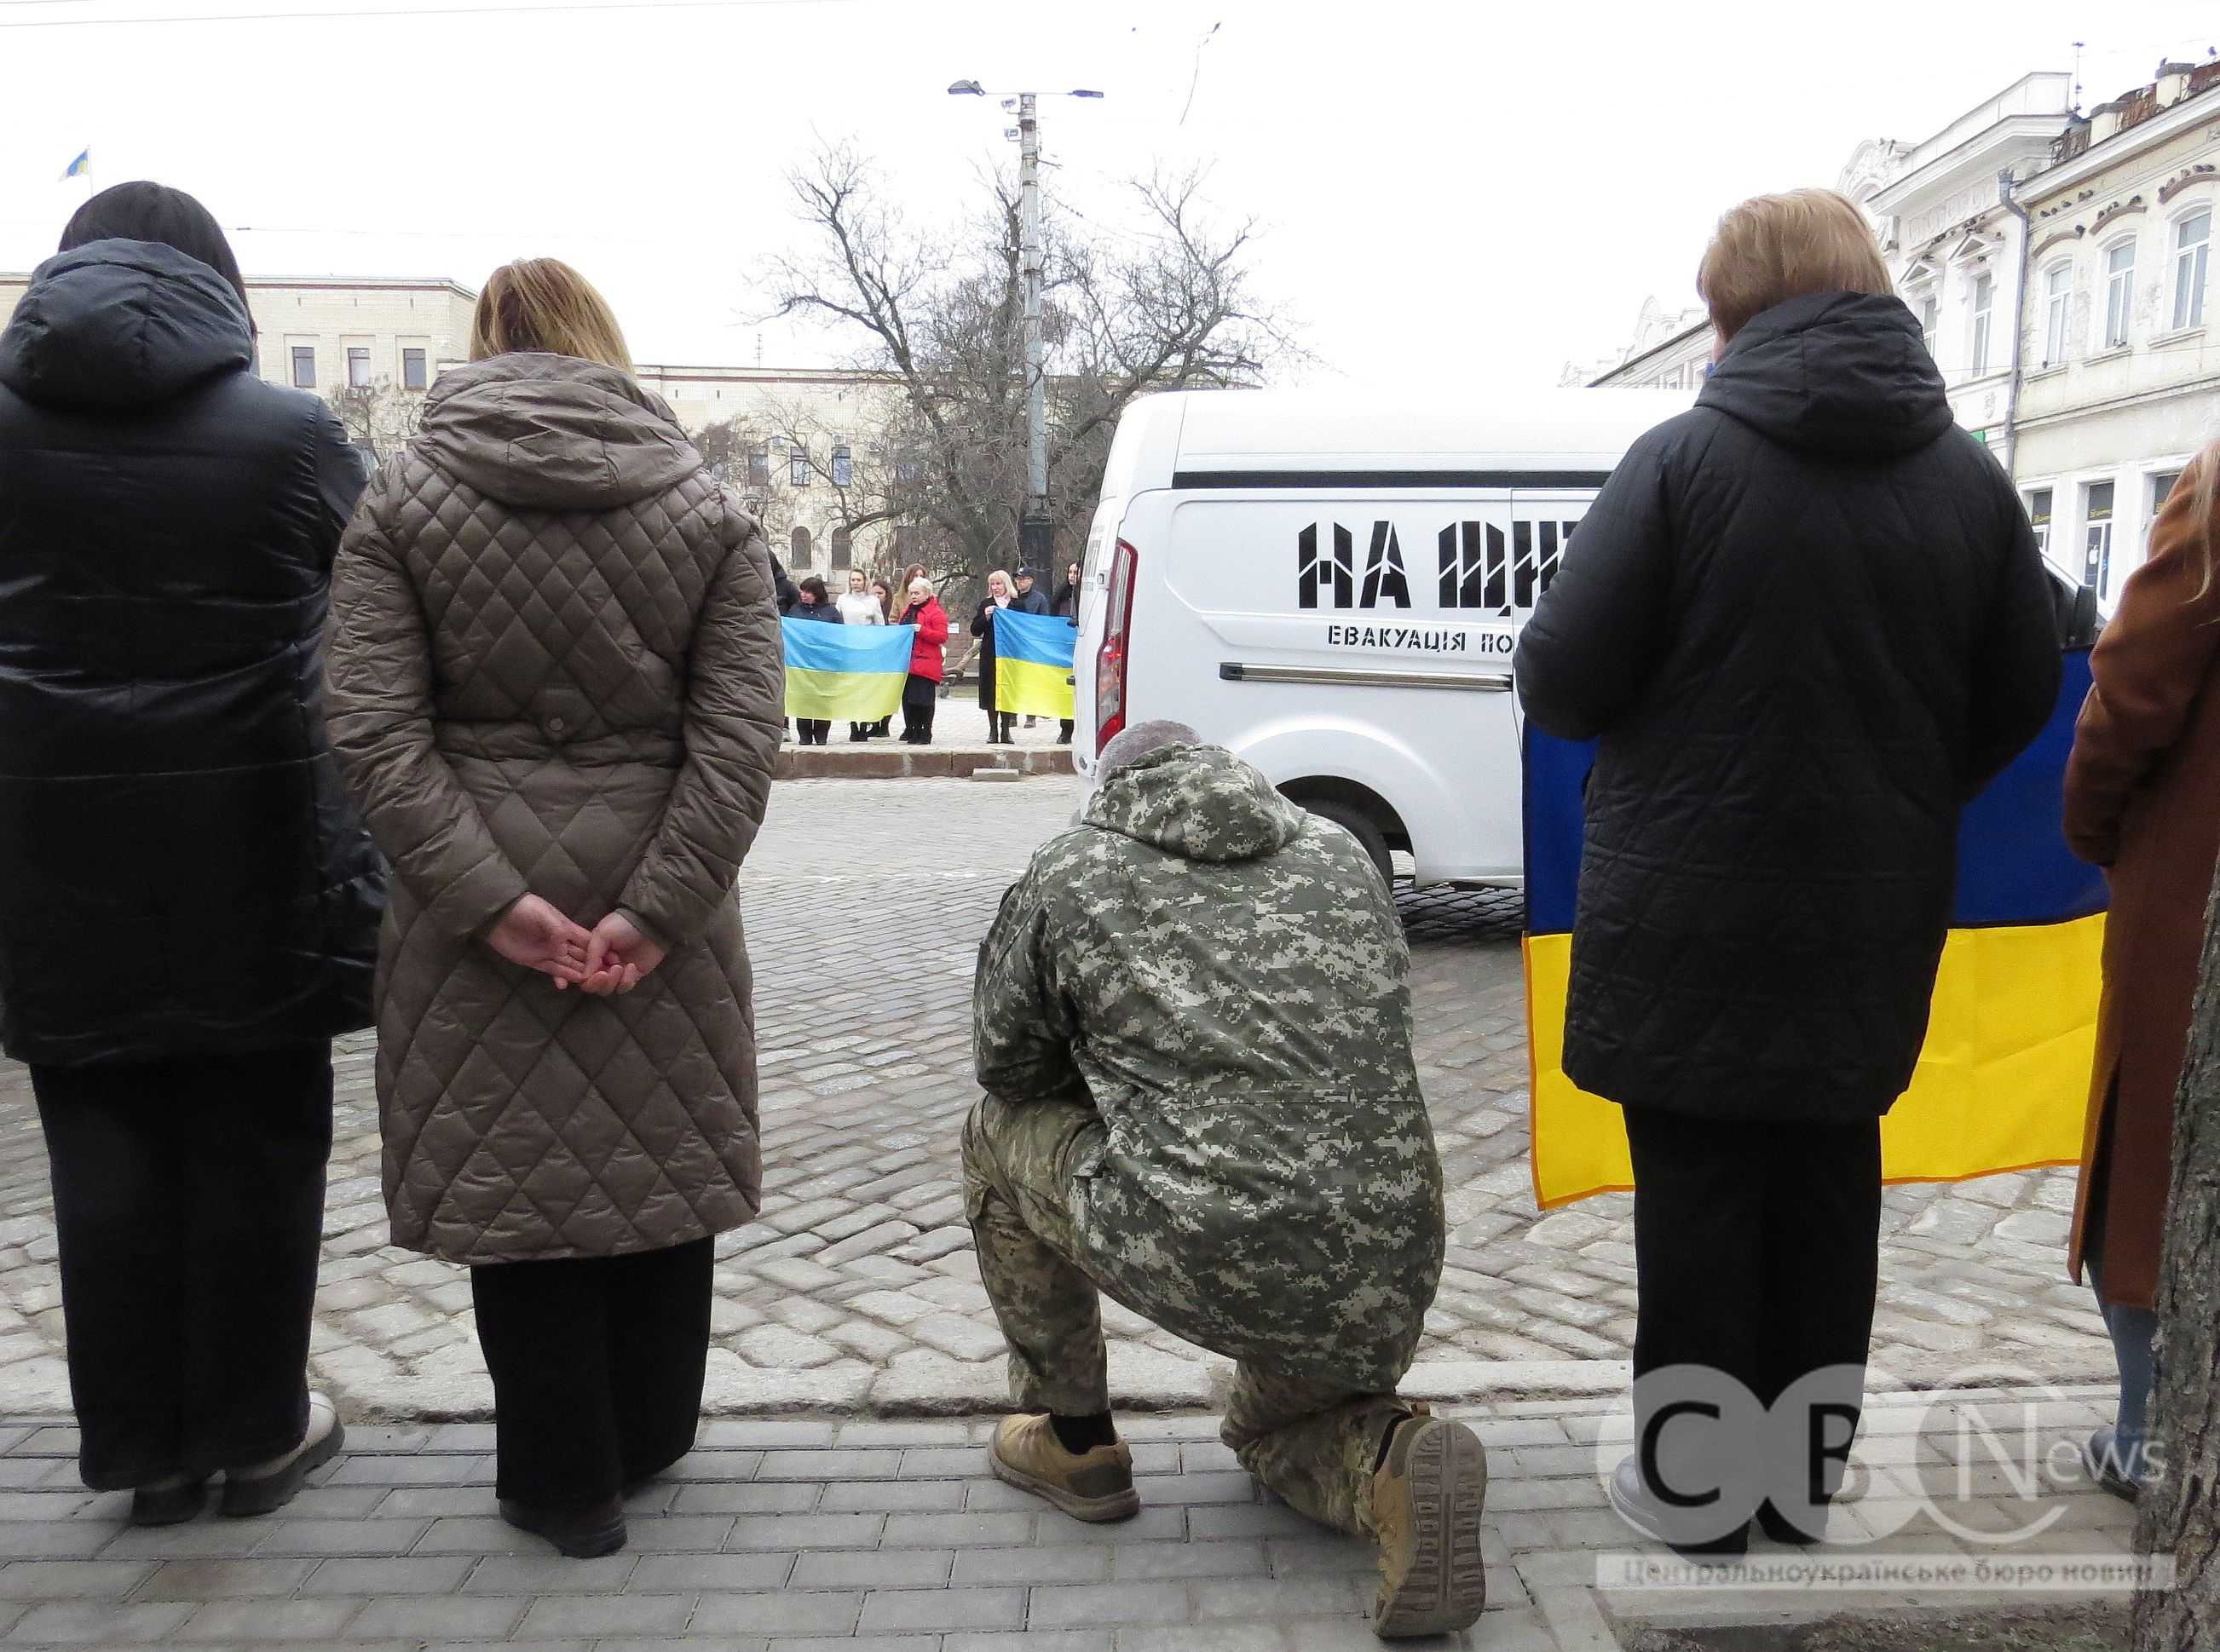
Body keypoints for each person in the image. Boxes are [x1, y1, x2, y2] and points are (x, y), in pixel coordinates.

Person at [1514, 188, 2061, 1557]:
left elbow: (1566, 682)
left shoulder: (1678, 463)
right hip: (1869, 913)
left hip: (1683, 910)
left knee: (1697, 1191)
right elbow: (2016, 694)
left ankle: (1696, 1496)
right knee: (1828, 1185)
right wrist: (1901, 787)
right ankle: (1797, 1482)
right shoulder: (1969, 481)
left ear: (1737, 312)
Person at [324, 257, 781, 1557]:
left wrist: (491, 901)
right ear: (602, 342)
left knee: (514, 1172)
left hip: (473, 895)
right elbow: (741, 735)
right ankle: (651, 1432)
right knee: (654, 1148)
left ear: (483, 343)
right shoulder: (707, 508)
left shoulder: (401, 501)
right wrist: (659, 905)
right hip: (659, 882)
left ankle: (565, 1481)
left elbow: (371, 725)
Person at [0, 182, 383, 1525]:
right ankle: (256, 1429)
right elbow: (385, 591)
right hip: (258, 853)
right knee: (258, 1149)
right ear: (219, 284)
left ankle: (142, 1449)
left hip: (50, 864)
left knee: (99, 1157)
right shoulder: (290, 437)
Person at [964, 720, 1484, 1640]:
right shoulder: (1336, 852)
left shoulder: (1072, 868)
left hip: (1204, 1232)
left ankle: (1075, 1440)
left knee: (994, 1137)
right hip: (1387, 1252)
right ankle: (1393, 1460)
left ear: (1112, 793)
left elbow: (1007, 1070)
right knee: (1271, 1435)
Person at [2063, 443, 2220, 1501]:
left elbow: (2133, 684)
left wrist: (2096, 823)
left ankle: (2149, 1428)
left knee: (2158, 1154)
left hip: (2198, 883)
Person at [788, 575, 844, 746]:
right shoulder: (795, 610)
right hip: (801, 663)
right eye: (803, 591)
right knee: (803, 699)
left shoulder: (831, 612)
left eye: (809, 592)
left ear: (818, 594)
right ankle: (804, 735)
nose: (804, 595)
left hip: (824, 664)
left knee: (822, 699)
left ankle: (821, 734)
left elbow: (839, 637)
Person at [835, 570, 885, 742]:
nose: (855, 583)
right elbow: (837, 623)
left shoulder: (873, 601)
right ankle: (853, 725)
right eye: (853, 580)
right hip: (848, 648)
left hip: (867, 649)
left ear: (865, 581)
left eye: (858, 580)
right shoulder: (842, 600)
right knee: (850, 688)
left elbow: (880, 626)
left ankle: (864, 725)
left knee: (865, 688)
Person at [898, 575, 949, 745]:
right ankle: (912, 730)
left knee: (924, 701)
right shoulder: (908, 610)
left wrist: (923, 630)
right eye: (911, 593)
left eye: (917, 593)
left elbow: (942, 636)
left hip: (926, 663)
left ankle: (925, 731)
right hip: (909, 662)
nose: (913, 596)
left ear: (927, 594)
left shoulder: (936, 613)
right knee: (909, 700)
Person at [972, 569, 1018, 744]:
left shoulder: (1016, 604)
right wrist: (985, 617)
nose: (995, 587)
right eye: (992, 584)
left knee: (1006, 692)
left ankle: (1006, 730)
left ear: (1006, 584)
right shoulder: (986, 603)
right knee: (991, 692)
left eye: (998, 583)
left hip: (1010, 654)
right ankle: (993, 731)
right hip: (990, 654)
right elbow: (975, 630)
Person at [1012, 568, 1051, 726]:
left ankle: (1031, 716)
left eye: (1023, 579)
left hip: (1031, 644)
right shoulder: (1011, 597)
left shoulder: (1039, 599)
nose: (1019, 582)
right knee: (1013, 679)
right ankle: (1012, 715)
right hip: (1013, 644)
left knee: (1031, 681)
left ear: (1031, 581)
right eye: (1017, 579)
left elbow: (1044, 621)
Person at [1052, 560, 1083, 745]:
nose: (1072, 576)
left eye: (1076, 572)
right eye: (1070, 572)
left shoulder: (1087, 596)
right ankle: (1065, 729)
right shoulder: (1061, 596)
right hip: (1063, 648)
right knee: (1064, 690)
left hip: (1080, 646)